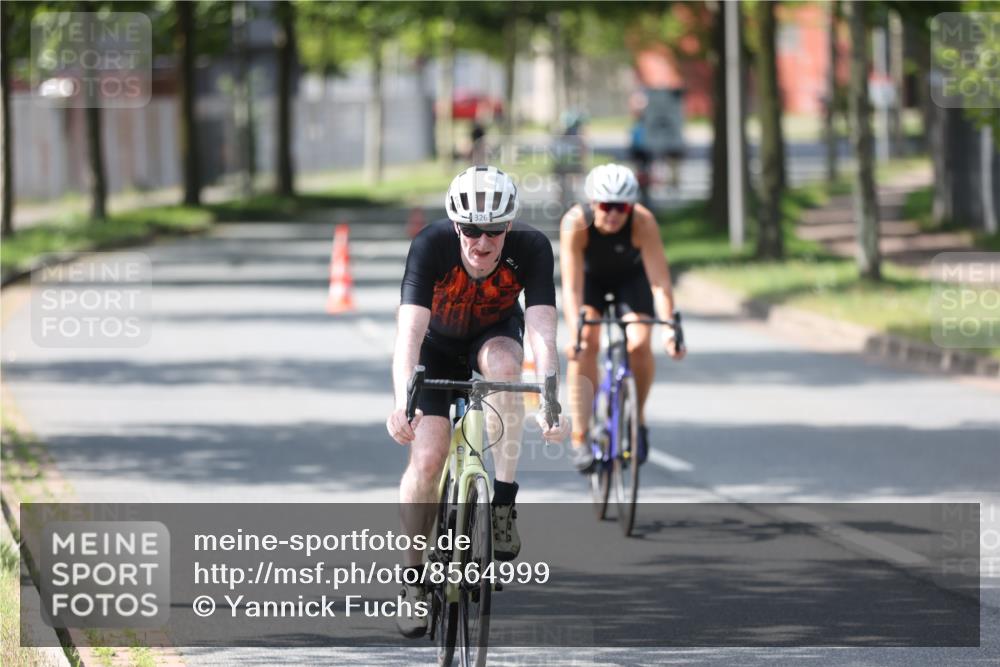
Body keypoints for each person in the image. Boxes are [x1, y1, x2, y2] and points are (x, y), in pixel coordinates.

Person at [386, 165, 568, 638]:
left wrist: (550, 400)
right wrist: (402, 402)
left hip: (494, 337)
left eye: (492, 231)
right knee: (428, 457)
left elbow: (544, 334)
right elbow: (408, 334)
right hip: (436, 347)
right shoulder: (431, 245)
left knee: (509, 369)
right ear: (454, 224)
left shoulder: (532, 249)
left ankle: (502, 503)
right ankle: (412, 581)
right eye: (470, 230)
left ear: (509, 226)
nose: (481, 243)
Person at [559, 164, 685, 473]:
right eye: (606, 206)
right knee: (587, 343)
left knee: (640, 343)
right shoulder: (575, 222)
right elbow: (572, 288)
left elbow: (660, 283)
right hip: (591, 283)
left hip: (631, 280)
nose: (614, 214)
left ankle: (636, 421)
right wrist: (575, 332)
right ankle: (581, 434)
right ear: (592, 203)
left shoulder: (643, 222)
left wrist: (669, 329)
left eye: (622, 207)